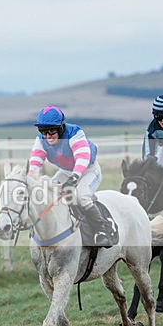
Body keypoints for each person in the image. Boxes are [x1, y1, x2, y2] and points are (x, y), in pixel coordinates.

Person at [28, 105, 114, 247]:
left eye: (51, 131)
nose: (47, 136)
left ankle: (102, 230)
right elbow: (35, 162)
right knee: (49, 194)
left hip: (88, 170)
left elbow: (82, 158)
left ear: (61, 127)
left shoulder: (75, 133)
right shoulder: (41, 140)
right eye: (43, 131)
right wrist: (31, 180)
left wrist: (74, 178)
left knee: (81, 195)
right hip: (66, 171)